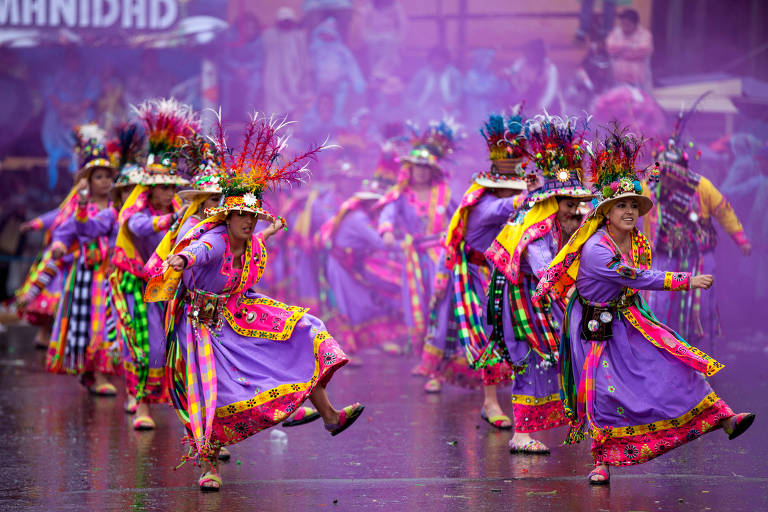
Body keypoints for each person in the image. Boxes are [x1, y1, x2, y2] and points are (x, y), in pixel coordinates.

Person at [146, 113, 364, 492]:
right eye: (242, 216)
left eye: (253, 216)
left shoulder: (251, 241)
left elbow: (258, 242)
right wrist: (180, 260)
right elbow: (194, 252)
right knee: (209, 396)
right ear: (226, 216)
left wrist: (272, 229)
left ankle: (330, 415)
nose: (249, 223)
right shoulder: (211, 240)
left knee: (300, 330)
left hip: (236, 315)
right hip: (200, 328)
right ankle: (208, 466)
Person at [534, 127, 754, 484]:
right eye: (621, 205)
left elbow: (640, 274)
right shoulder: (596, 250)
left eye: (633, 205)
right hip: (595, 329)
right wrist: (686, 280)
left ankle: (725, 418)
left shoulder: (637, 241)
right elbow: (636, 277)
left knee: (676, 362)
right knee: (602, 393)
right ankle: (600, 463)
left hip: (630, 319)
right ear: (605, 212)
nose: (629, 210)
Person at [481, 114, 592, 453]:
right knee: (533, 357)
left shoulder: (568, 220)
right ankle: (522, 434)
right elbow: (545, 269)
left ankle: (580, 419)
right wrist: (574, 292)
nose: (575, 209)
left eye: (577, 202)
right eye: (569, 202)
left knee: (565, 353)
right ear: (552, 201)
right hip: (520, 298)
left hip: (544, 295)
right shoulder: (537, 224)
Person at [416, 113, 532, 428]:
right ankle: (490, 402)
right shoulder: (486, 204)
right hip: (469, 275)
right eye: (510, 188)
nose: (511, 193)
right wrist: (534, 193)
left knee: (513, 333)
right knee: (477, 331)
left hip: (499, 273)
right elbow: (505, 209)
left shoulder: (509, 203)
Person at [110, 99, 196, 429]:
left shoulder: (174, 210)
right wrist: (176, 219)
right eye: (162, 187)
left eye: (171, 187)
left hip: (173, 290)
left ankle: (200, 424)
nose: (167, 192)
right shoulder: (138, 213)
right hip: (139, 289)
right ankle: (142, 406)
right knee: (149, 347)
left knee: (181, 351)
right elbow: (140, 228)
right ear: (149, 189)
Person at [645, 136, 751, 342]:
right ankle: (662, 351)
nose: (668, 176)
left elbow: (724, 211)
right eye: (664, 171)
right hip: (662, 257)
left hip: (698, 259)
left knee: (699, 311)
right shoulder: (649, 188)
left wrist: (741, 239)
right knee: (659, 306)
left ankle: (692, 355)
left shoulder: (701, 186)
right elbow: (626, 205)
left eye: (673, 170)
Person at [45, 124, 120, 394]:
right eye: (98, 177)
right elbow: (64, 231)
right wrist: (57, 246)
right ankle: (95, 374)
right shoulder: (81, 208)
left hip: (109, 274)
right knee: (87, 323)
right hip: (86, 275)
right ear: (87, 181)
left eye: (107, 177)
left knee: (105, 322)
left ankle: (98, 373)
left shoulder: (115, 209)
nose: (104, 182)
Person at [377, 119, 460, 353]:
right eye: (417, 167)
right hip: (413, 257)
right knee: (417, 307)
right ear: (409, 169)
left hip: (440, 255)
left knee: (440, 302)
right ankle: (423, 355)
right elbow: (387, 214)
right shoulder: (401, 194)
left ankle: (437, 357)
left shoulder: (443, 193)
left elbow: (459, 218)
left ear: (432, 170)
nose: (421, 172)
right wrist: (387, 232)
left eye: (425, 167)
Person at [262, 7, 312, 116]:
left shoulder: (298, 36)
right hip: (274, 71)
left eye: (288, 21)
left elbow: (303, 55)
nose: (285, 23)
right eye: (283, 21)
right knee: (275, 93)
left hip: (293, 71)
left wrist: (306, 69)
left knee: (293, 95)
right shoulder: (269, 34)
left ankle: (291, 119)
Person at [505, 40, 562, 114]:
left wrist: (541, 106)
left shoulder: (550, 68)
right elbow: (513, 71)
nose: (527, 55)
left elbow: (550, 92)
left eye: (531, 53)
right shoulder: (523, 61)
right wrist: (507, 73)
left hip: (543, 105)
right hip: (524, 98)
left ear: (538, 54)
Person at [606, 9, 653, 89]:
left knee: (638, 101)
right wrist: (632, 47)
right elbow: (610, 47)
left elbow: (644, 49)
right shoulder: (615, 33)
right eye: (623, 24)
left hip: (638, 81)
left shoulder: (645, 34)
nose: (625, 27)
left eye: (628, 24)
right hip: (617, 80)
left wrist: (621, 51)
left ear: (635, 24)